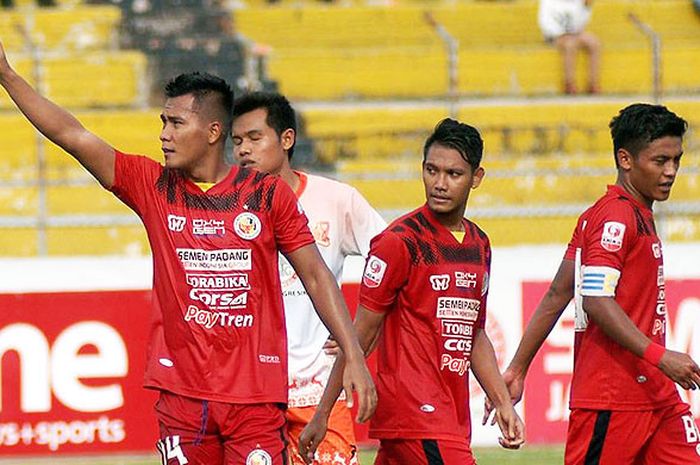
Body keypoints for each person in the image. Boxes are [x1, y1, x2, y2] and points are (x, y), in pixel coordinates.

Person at [0, 41, 376, 465]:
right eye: (163, 121)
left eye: (176, 123)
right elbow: (73, 134)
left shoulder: (267, 195)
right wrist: (8, 76)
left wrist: (354, 357)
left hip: (254, 400)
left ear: (213, 132)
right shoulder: (152, 185)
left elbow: (316, 276)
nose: (164, 134)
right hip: (181, 399)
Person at [299, 118, 525, 465]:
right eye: (432, 171)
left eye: (453, 174)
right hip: (417, 417)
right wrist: (323, 414)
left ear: (476, 178)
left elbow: (474, 332)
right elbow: (360, 333)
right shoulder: (399, 242)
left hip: (446, 419)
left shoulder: (479, 244)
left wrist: (503, 402)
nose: (439, 184)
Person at [484, 103, 700, 465]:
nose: (671, 171)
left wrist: (518, 368)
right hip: (612, 398)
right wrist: (660, 357)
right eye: (660, 160)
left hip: (656, 396)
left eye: (676, 159)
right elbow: (596, 299)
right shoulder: (614, 217)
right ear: (625, 159)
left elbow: (558, 293)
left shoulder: (625, 215)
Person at [231, 91, 386, 465]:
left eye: (254, 138)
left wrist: (364, 332)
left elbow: (393, 261)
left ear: (286, 139)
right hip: (251, 393)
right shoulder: (227, 207)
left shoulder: (337, 199)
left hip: (320, 392)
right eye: (236, 142)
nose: (243, 151)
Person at [538, 0, 601, 94]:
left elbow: (579, 23)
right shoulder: (548, 2)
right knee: (570, 45)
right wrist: (560, 33)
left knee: (594, 43)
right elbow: (545, 21)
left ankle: (593, 83)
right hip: (555, 35)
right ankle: (569, 83)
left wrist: (586, 8)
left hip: (574, 33)